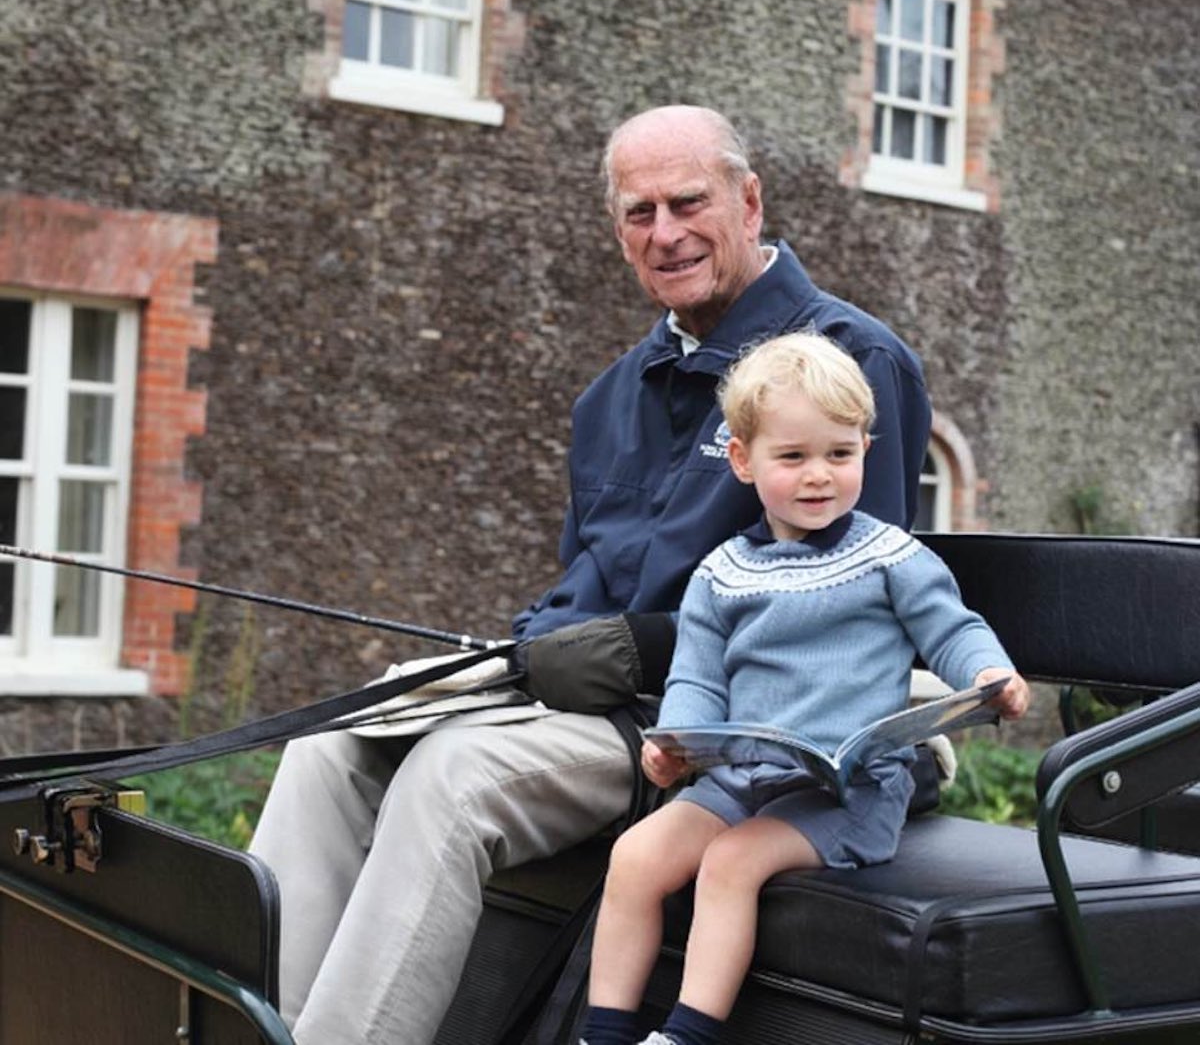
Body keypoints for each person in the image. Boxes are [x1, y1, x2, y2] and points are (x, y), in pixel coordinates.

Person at [249, 105, 933, 1045]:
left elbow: (859, 603)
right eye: (638, 213)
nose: (666, 233)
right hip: (579, 701)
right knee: (334, 743)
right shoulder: (610, 396)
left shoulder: (852, 363)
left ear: (748, 200)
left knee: (451, 777)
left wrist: (636, 648)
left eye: (688, 202)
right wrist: (536, 642)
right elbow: (586, 580)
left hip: (716, 737)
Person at [580, 332, 1029, 1045]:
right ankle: (603, 1031)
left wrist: (988, 674)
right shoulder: (722, 573)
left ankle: (687, 1034)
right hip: (741, 779)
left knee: (732, 861)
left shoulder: (890, 557)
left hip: (849, 792)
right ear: (743, 460)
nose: (819, 475)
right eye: (792, 457)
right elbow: (697, 679)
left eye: (839, 454)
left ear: (864, 451)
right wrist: (674, 746)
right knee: (637, 854)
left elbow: (951, 631)